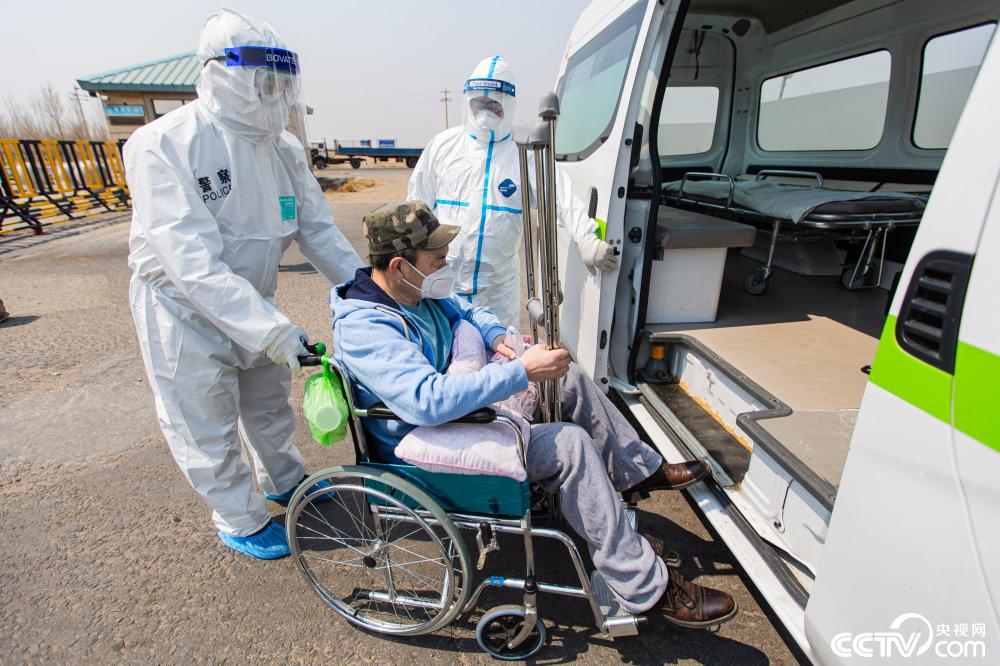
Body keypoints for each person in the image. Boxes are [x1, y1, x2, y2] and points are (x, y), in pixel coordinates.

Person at [330, 201, 737, 627]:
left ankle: (634, 470)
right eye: (437, 261)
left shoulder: (413, 292)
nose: (444, 268)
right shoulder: (367, 327)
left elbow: (467, 310)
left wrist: (494, 335)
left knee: (567, 379)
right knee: (570, 447)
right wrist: (519, 372)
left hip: (459, 415)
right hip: (421, 446)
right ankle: (644, 587)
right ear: (399, 266)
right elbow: (425, 401)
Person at [124, 9, 362, 560]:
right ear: (223, 75)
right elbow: (192, 264)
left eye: (280, 82)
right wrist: (274, 332)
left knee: (268, 403)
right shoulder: (164, 143)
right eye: (262, 81)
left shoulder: (284, 148)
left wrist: (369, 293)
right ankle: (239, 517)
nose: (272, 94)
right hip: (182, 312)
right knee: (204, 418)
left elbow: (318, 232)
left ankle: (285, 480)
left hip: (254, 299)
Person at [407, 55, 619, 328]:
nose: (485, 113)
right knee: (441, 346)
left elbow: (558, 195)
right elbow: (416, 204)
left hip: (497, 290)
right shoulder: (443, 146)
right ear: (468, 102)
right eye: (479, 104)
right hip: (444, 281)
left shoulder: (523, 153)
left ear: (507, 106)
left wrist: (587, 237)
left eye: (493, 105)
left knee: (499, 349)